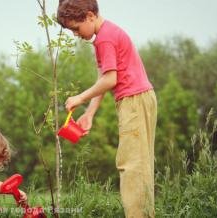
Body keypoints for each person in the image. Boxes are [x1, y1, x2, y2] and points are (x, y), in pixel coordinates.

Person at [57, 0, 157, 217]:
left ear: (90, 16)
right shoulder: (105, 35)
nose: (75, 34)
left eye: (76, 28)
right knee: (140, 163)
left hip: (133, 101)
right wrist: (90, 113)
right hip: (139, 98)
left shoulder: (105, 39)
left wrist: (80, 98)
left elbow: (111, 79)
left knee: (131, 165)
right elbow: (105, 78)